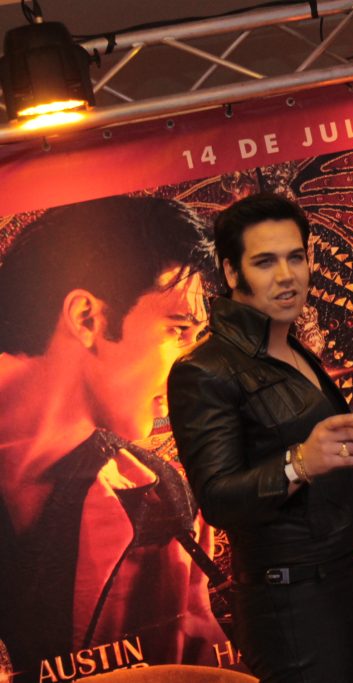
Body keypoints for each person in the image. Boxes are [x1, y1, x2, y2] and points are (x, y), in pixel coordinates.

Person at [167, 193, 353, 683]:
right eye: (265, 262)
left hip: (347, 584)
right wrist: (298, 462)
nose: (287, 276)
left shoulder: (291, 349)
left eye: (295, 257)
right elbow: (217, 499)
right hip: (289, 605)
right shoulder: (203, 370)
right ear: (231, 271)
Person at [0, 196, 226, 672]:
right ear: (88, 318)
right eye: (178, 330)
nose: (195, 370)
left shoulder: (159, 497)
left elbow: (193, 668)